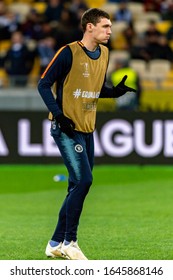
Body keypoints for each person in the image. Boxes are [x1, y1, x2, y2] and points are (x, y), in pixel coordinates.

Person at [38, 8, 136, 260]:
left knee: (76, 184)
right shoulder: (68, 52)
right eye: (105, 26)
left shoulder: (104, 53)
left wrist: (113, 92)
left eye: (111, 27)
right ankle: (71, 241)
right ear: (89, 27)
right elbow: (44, 84)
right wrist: (58, 115)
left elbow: (93, 88)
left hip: (87, 128)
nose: (110, 31)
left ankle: (55, 243)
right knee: (84, 181)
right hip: (65, 128)